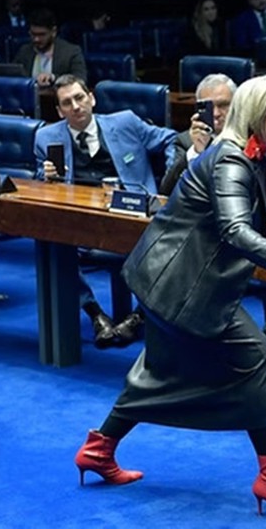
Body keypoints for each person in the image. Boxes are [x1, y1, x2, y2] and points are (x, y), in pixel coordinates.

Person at [73, 74, 266, 522]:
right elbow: (234, 228)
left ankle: (97, 450)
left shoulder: (258, 154)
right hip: (183, 290)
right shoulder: (232, 160)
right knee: (259, 360)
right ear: (256, 115)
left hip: (173, 285)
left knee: (160, 373)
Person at [159, 74, 266, 394]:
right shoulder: (216, 151)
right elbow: (167, 196)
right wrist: (195, 153)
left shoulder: (265, 144)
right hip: (195, 271)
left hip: (234, 256)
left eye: (223, 105)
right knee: (150, 387)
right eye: (208, 107)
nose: (217, 113)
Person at [35, 75, 176, 348]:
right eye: (67, 103)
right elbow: (40, 178)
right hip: (81, 219)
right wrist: (46, 175)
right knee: (50, 243)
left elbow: (170, 139)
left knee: (172, 248)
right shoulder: (45, 137)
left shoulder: (125, 122)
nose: (76, 106)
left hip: (134, 216)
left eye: (80, 98)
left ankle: (137, 317)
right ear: (59, 111)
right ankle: (95, 314)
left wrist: (170, 178)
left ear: (92, 98)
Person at [13, 8, 87, 86]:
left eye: (41, 35)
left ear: (53, 32)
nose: (36, 39)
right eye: (33, 34)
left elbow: (80, 79)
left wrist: (54, 78)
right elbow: (13, 77)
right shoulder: (24, 51)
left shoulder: (71, 52)